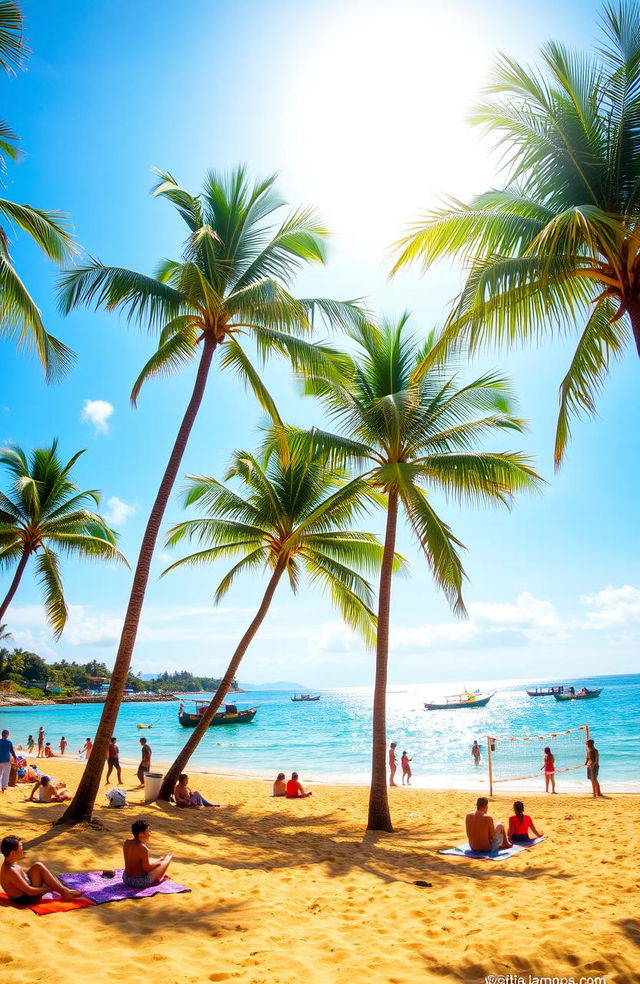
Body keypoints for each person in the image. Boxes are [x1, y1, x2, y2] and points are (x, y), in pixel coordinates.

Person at [1, 835, 84, 904]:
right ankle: (64, 892)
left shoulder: (10, 862)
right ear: (12, 853)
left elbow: (22, 879)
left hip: (27, 887)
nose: (23, 850)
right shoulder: (10, 870)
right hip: (27, 899)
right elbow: (29, 891)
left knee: (38, 866)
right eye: (21, 847)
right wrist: (50, 889)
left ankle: (64, 891)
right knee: (40, 868)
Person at [122, 820, 172, 889]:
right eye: (148, 831)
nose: (150, 833)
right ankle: (159, 877)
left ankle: (159, 863)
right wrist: (158, 863)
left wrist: (156, 862)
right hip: (139, 882)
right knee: (168, 858)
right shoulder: (143, 848)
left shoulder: (127, 842)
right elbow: (147, 868)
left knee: (153, 860)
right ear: (141, 834)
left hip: (126, 878)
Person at [0, 729, 17, 793]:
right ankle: (3, 787)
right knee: (6, 774)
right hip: (7, 760)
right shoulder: (9, 742)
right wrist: (15, 758)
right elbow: (12, 751)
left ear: (2, 734)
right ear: (7, 735)